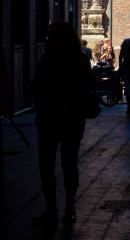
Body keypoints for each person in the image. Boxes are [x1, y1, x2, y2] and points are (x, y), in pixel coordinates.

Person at [32, 21, 94, 231]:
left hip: (49, 119)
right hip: (72, 119)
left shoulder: (48, 59)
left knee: (47, 166)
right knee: (70, 164)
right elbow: (87, 88)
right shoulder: (81, 60)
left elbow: (37, 86)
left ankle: (51, 210)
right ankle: (69, 208)